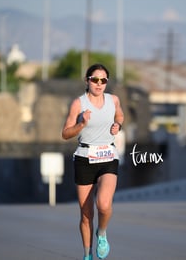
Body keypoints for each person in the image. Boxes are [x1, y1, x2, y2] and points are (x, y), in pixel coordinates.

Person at [62, 63, 124, 260]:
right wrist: (81, 124)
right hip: (84, 158)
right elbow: (65, 133)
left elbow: (120, 114)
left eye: (103, 80)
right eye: (95, 79)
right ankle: (87, 254)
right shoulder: (78, 104)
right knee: (86, 214)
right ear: (87, 80)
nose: (99, 84)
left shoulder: (113, 100)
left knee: (104, 205)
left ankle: (102, 233)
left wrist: (118, 125)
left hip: (108, 156)